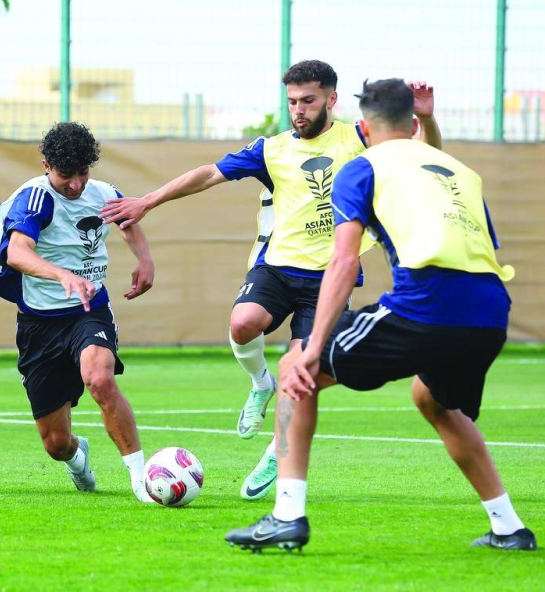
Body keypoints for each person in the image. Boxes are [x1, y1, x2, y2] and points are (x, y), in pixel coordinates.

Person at [99, 60, 441, 502]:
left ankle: (275, 453)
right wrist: (148, 200)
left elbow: (425, 155)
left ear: (331, 100)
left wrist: (427, 117)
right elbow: (208, 174)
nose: (298, 110)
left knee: (302, 370)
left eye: (308, 101)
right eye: (292, 102)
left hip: (328, 277)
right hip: (277, 266)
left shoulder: (359, 136)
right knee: (243, 323)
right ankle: (260, 382)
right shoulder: (272, 148)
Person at [224, 78, 537, 552]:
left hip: (425, 305)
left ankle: (287, 516)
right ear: (413, 123)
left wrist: (312, 348)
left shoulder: (362, 166)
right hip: (492, 312)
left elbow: (344, 262)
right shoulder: (459, 170)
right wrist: (429, 121)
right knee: (434, 401)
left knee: (294, 368)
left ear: (364, 127)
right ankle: (509, 526)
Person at [0, 122, 157, 502]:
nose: (76, 184)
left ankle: (141, 479)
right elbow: (17, 252)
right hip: (39, 324)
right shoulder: (35, 199)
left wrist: (145, 260)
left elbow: (128, 221)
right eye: (66, 175)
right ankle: (78, 456)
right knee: (56, 444)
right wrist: (60, 274)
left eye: (83, 173)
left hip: (89, 310)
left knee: (99, 380)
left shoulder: (101, 193)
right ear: (46, 165)